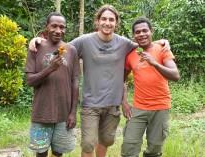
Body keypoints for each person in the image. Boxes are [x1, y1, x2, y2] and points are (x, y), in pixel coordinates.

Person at [29, 5, 170, 157]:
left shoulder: (124, 43)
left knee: (107, 140)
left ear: (116, 22)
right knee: (89, 143)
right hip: (90, 104)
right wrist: (39, 40)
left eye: (111, 19)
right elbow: (61, 47)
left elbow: (145, 43)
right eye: (103, 19)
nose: (107, 23)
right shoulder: (85, 41)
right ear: (97, 21)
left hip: (112, 105)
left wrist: (161, 41)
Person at [121, 17, 180, 157]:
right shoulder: (130, 54)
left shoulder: (162, 49)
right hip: (138, 108)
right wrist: (123, 102)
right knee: (129, 148)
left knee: (154, 149)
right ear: (134, 36)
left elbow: (175, 75)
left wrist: (155, 63)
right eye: (137, 32)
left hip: (160, 107)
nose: (141, 34)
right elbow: (120, 80)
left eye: (145, 30)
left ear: (151, 31)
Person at [24, 12, 80, 157]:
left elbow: (75, 81)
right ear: (46, 27)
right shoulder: (36, 48)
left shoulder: (71, 50)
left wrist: (73, 112)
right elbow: (30, 81)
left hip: (64, 112)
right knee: (41, 152)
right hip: (42, 111)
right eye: (54, 26)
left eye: (62, 27)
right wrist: (50, 68)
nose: (58, 30)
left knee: (58, 152)